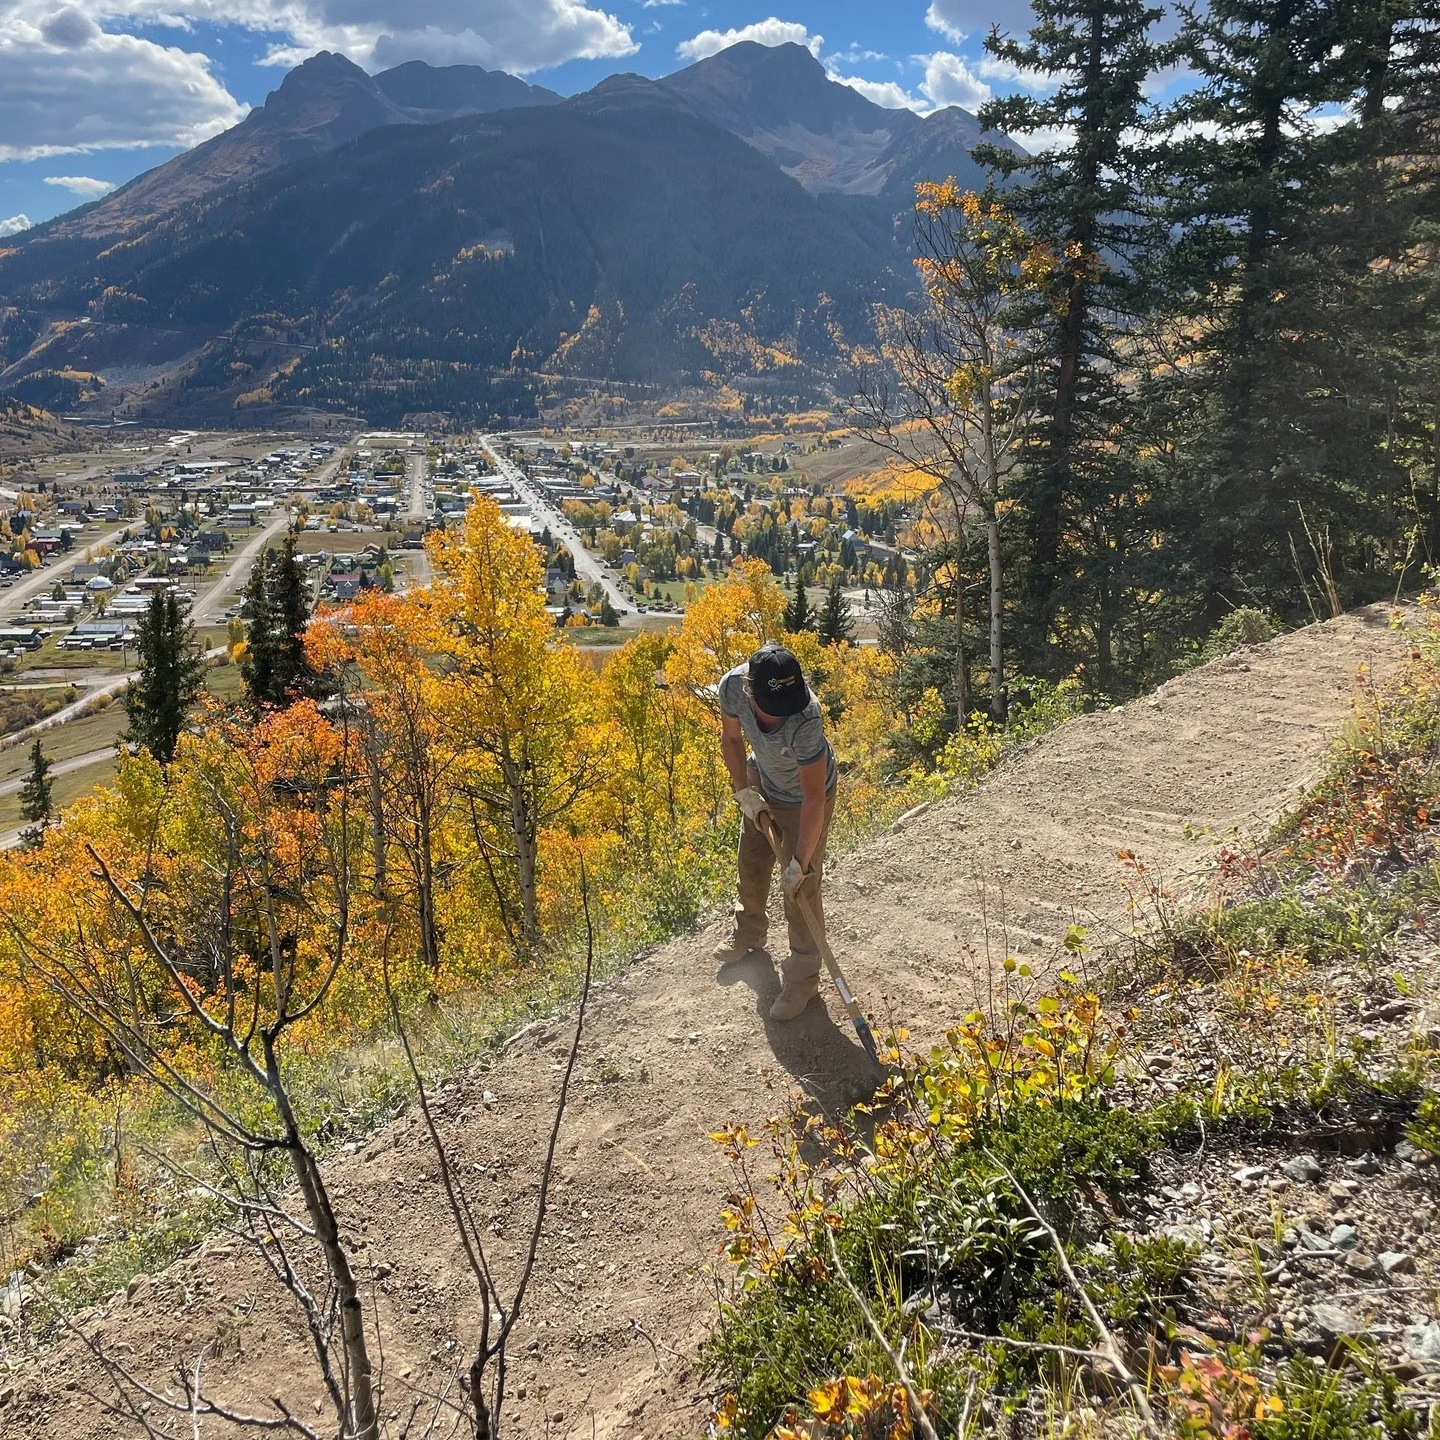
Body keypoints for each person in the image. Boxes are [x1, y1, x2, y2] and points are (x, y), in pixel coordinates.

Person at [711, 642, 838, 1020]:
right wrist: (743, 791)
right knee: (751, 862)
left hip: (806, 800)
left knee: (801, 891)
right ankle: (748, 932)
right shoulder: (733, 687)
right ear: (751, 690)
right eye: (774, 707)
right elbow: (731, 739)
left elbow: (814, 798)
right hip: (762, 779)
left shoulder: (805, 719)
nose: (784, 714)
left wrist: (799, 863)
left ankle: (802, 981)